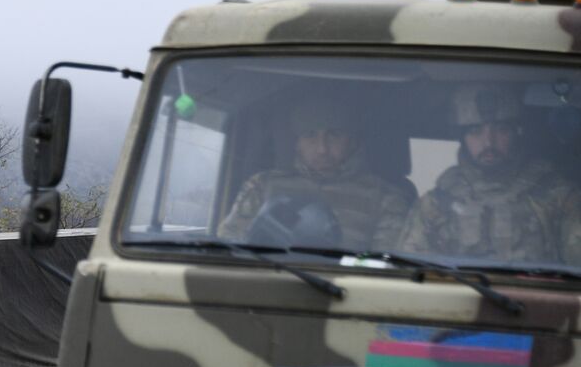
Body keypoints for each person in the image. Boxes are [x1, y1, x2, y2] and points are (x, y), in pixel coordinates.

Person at [398, 83, 578, 262]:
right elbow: (411, 274)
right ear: (462, 137)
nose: (488, 143)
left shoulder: (558, 198)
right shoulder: (436, 204)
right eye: (475, 131)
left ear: (516, 133)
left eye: (501, 130)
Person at [219, 96, 414, 251]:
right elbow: (231, 249)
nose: (322, 148)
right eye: (310, 135)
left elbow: (386, 269)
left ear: (352, 142)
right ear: (297, 143)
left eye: (334, 135)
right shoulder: (261, 186)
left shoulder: (385, 198)